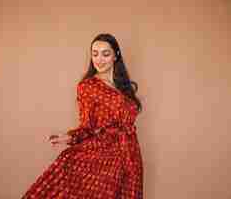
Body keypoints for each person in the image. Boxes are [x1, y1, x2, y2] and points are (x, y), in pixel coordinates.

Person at [21, 33, 144, 199]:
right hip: (105, 155)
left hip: (130, 154)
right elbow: (87, 126)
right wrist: (70, 137)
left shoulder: (124, 86)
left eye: (105, 54)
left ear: (116, 55)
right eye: (95, 54)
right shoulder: (88, 86)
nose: (99, 59)